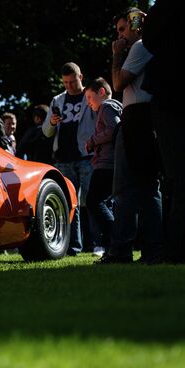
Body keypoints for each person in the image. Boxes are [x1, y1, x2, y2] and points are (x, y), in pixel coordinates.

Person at [98, 7, 163, 264]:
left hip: (137, 117)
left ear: (135, 26)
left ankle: (122, 250)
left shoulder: (138, 48)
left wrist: (116, 55)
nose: (120, 37)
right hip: (144, 117)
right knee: (146, 188)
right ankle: (150, 251)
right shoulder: (149, 46)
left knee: (127, 188)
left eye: (123, 29)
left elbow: (117, 83)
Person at [143, 0, 184, 263]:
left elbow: (150, 38)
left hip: (167, 97)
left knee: (178, 179)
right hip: (171, 97)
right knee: (180, 179)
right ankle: (176, 249)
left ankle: (175, 249)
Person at [42, 62, 97, 256]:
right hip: (64, 159)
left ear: (80, 78)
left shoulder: (90, 96)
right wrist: (51, 122)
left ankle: (97, 244)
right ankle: (73, 248)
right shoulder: (57, 100)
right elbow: (46, 132)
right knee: (69, 205)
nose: (69, 86)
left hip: (87, 156)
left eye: (72, 82)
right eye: (65, 83)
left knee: (93, 201)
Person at [84, 78, 122, 258]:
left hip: (106, 164)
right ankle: (112, 245)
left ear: (101, 92)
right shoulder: (109, 107)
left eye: (90, 97)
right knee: (99, 202)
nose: (88, 102)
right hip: (108, 162)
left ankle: (115, 240)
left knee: (93, 201)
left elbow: (114, 128)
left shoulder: (106, 107)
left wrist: (92, 140)